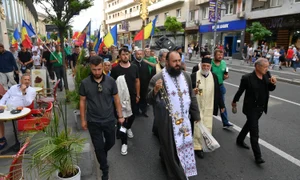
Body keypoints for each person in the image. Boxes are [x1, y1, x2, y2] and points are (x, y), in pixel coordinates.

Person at [147, 51, 200, 179]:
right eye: (174, 61)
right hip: (166, 121)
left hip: (184, 120)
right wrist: (155, 91)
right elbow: (149, 100)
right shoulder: (157, 79)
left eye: (179, 61)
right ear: (167, 62)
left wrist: (196, 114)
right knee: (171, 148)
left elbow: (191, 96)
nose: (178, 64)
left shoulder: (185, 77)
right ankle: (176, 175)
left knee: (180, 144)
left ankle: (164, 156)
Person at [79, 56, 124, 180]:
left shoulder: (110, 81)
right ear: (90, 68)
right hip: (93, 121)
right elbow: (82, 102)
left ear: (103, 67)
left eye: (99, 69)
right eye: (94, 70)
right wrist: (83, 119)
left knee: (111, 142)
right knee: (98, 146)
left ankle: (101, 154)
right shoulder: (85, 83)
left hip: (109, 119)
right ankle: (104, 169)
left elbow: (116, 99)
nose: (97, 72)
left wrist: (120, 115)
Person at [232, 58, 276, 164]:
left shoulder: (267, 74)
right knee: (254, 131)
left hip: (261, 107)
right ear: (257, 67)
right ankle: (258, 156)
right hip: (251, 108)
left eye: (268, 67)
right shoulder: (247, 78)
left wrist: (273, 84)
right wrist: (234, 101)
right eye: (265, 67)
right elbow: (240, 91)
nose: (267, 69)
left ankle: (239, 139)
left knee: (249, 125)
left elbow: (270, 88)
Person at [191, 57, 225, 159]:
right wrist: (193, 91)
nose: (205, 67)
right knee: (197, 127)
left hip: (208, 106)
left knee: (207, 126)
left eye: (208, 66)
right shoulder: (193, 76)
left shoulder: (213, 76)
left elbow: (218, 92)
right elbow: (187, 91)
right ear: (200, 65)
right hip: (197, 106)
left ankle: (205, 143)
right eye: (204, 65)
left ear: (210, 67)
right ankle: (197, 147)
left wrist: (221, 106)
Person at [111, 48, 140, 156]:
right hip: (120, 100)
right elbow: (112, 84)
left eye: (127, 54)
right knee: (122, 121)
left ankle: (128, 127)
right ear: (119, 56)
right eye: (123, 54)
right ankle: (124, 143)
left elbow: (137, 81)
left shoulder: (134, 67)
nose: (125, 56)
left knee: (132, 117)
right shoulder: (115, 69)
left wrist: (138, 94)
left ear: (129, 55)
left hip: (132, 98)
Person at [0, 73, 36, 150]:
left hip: (20, 110)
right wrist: (1, 104)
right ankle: (2, 139)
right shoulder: (13, 87)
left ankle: (21, 142)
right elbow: (5, 97)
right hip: (7, 108)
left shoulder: (32, 91)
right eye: (25, 79)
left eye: (28, 80)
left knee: (19, 122)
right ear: (21, 80)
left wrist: (24, 92)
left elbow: (28, 103)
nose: (27, 81)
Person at [211, 49, 233, 128]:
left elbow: (225, 72)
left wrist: (226, 76)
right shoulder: (210, 63)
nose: (220, 56)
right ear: (214, 55)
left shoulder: (223, 63)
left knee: (222, 104)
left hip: (220, 86)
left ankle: (225, 122)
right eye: (218, 55)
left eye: (221, 55)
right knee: (210, 104)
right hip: (211, 87)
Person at [150, 48, 169, 137]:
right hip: (157, 95)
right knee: (157, 114)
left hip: (168, 96)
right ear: (160, 58)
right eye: (165, 57)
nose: (166, 60)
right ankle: (157, 130)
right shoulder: (155, 68)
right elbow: (150, 82)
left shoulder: (170, 68)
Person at [131, 49, 151, 117]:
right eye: (138, 54)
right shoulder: (132, 64)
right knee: (136, 99)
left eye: (140, 54)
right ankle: (136, 112)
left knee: (144, 98)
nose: (139, 55)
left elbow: (148, 74)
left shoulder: (145, 64)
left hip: (144, 85)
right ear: (135, 55)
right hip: (136, 85)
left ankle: (144, 111)